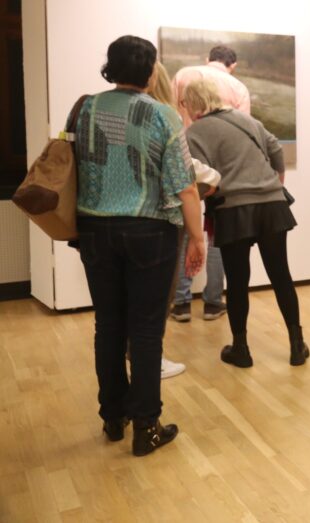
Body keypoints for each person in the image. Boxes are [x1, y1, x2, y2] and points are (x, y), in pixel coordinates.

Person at [71, 35, 205, 456]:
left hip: (95, 228)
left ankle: (113, 417)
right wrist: (197, 237)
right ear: (150, 71)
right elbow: (184, 186)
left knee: (108, 325)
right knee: (146, 330)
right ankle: (146, 426)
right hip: (149, 231)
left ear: (110, 67)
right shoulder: (162, 115)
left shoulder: (87, 107)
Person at [181, 79, 307, 368]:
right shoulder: (246, 120)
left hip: (233, 209)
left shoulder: (195, 132)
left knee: (238, 282)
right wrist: (276, 182)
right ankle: (297, 346)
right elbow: (275, 149)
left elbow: (203, 179)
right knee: (281, 276)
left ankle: (241, 349)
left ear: (193, 103)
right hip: (272, 205)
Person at [147, 62, 223, 380]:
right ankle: (151, 360)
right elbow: (187, 179)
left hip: (118, 221)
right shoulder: (166, 118)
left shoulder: (98, 109)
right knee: (155, 295)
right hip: (166, 216)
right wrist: (213, 178)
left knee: (125, 305)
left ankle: (179, 306)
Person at [169, 46, 247, 323]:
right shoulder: (238, 86)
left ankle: (180, 303)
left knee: (184, 229)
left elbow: (171, 116)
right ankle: (213, 302)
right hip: (222, 165)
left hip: (186, 158)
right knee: (215, 233)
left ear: (208, 59)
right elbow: (241, 130)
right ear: (233, 65)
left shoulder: (183, 74)